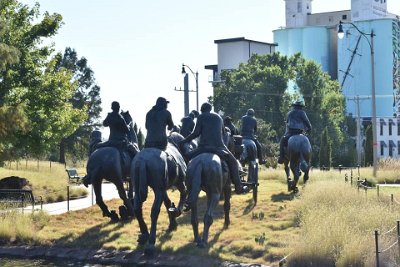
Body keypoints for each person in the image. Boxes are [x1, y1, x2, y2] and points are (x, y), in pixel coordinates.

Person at [180, 102, 248, 194]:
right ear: (210, 109)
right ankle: (238, 187)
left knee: (186, 158)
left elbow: (195, 133)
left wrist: (184, 141)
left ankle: (186, 184)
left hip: (203, 148)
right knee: (233, 163)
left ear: (202, 110)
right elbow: (223, 133)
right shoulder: (218, 117)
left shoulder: (201, 117)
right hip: (219, 147)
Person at [83, 101, 135, 187]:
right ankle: (135, 173)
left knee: (95, 147)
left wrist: (110, 117)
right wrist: (128, 125)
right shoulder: (120, 117)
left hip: (110, 142)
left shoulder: (110, 116)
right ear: (118, 108)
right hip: (119, 142)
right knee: (134, 152)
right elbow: (127, 130)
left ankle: (89, 175)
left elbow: (105, 123)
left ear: (112, 108)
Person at [277, 100, 312, 164]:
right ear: (301, 107)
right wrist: (309, 129)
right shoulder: (302, 113)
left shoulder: (290, 113)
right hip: (300, 132)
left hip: (290, 133)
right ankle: (309, 155)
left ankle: (281, 157)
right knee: (307, 142)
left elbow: (287, 123)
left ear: (294, 106)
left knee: (282, 140)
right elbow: (307, 123)